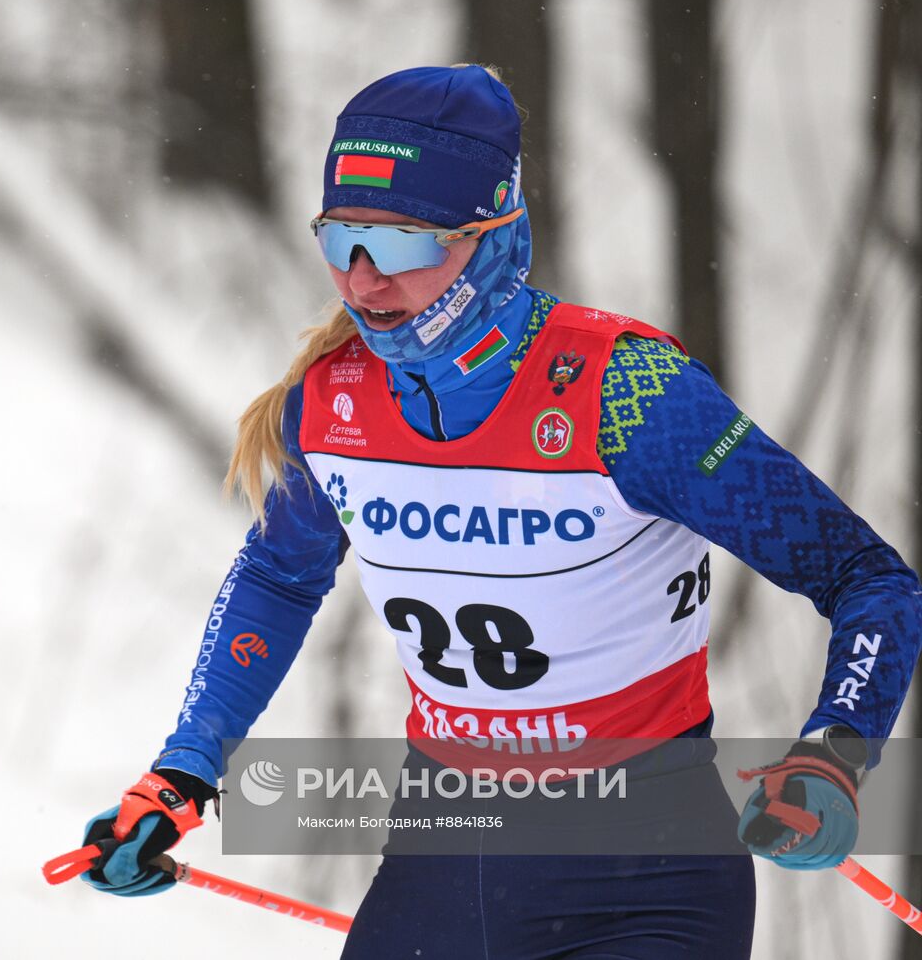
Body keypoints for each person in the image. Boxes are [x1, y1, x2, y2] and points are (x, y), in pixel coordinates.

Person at [75, 65, 921, 957]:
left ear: (493, 237)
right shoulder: (331, 407)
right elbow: (278, 576)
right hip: (444, 863)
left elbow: (868, 578)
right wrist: (185, 768)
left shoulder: (626, 396)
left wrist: (835, 751)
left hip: (648, 878)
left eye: (401, 244)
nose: (363, 282)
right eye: (343, 238)